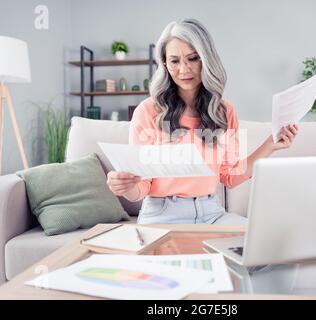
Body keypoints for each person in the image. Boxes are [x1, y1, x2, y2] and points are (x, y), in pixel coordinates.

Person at [107, 18, 298, 224]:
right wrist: (126, 187)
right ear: (164, 64)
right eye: (174, 61)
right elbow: (141, 186)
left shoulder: (223, 111)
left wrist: (271, 144)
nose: (183, 69)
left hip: (212, 212)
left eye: (193, 58)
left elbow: (230, 175)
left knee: (261, 244)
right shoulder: (148, 111)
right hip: (162, 214)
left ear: (206, 59)